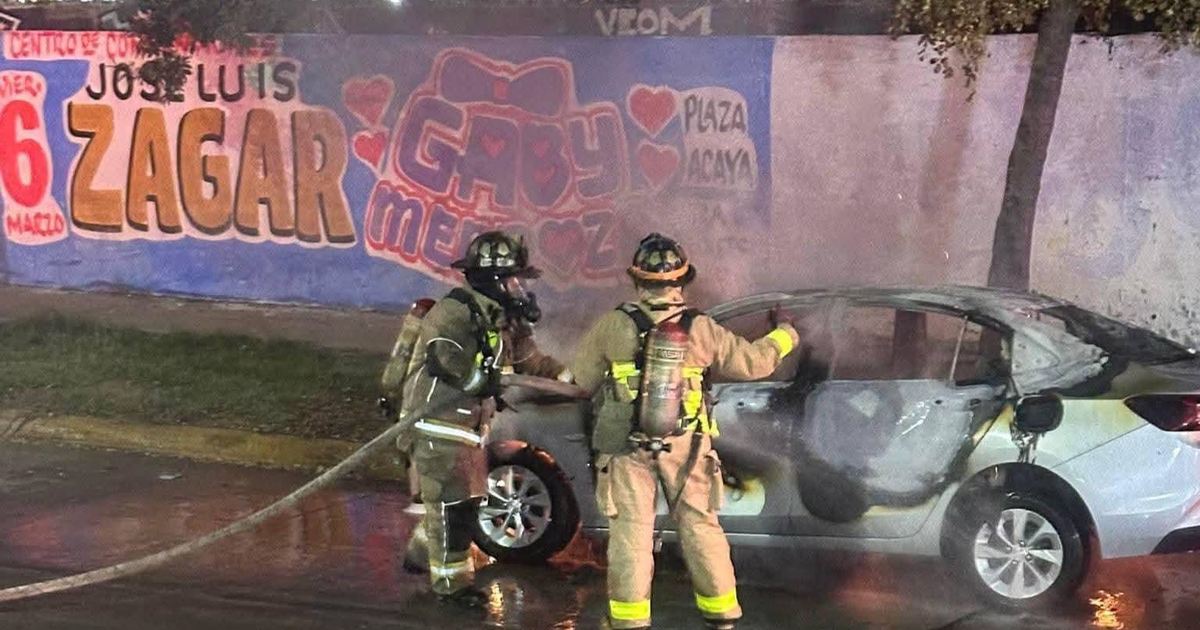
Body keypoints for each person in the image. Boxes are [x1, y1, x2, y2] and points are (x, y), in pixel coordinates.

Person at [571, 233, 800, 630]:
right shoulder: (701, 328)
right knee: (700, 525)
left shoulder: (614, 324)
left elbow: (582, 380)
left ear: (638, 281)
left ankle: (629, 622)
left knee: (631, 532)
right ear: (682, 282)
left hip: (626, 445)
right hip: (687, 444)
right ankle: (722, 614)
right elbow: (754, 363)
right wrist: (785, 333)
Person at [398, 231, 571, 606]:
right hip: (437, 423)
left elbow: (529, 360)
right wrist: (485, 382)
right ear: (493, 280)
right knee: (452, 511)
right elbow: (445, 360)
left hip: (469, 427)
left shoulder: (503, 318)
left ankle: (420, 554)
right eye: (514, 279)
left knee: (467, 504)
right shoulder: (454, 312)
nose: (520, 288)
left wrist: (569, 377)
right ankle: (451, 589)